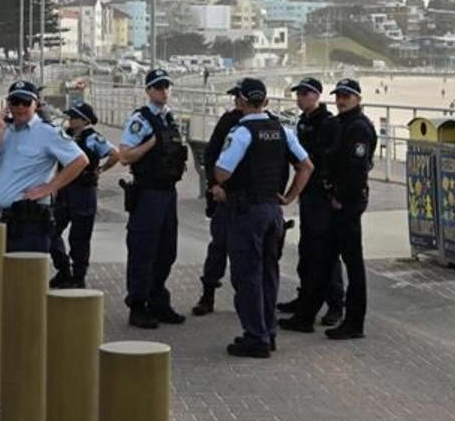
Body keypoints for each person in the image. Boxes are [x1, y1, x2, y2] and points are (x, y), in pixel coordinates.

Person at [213, 78, 313, 358]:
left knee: (247, 276)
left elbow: (222, 172)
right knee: (269, 273)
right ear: (266, 101)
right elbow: (306, 166)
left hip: (247, 212)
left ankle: (254, 337)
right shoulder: (281, 129)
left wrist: (223, 185)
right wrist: (290, 196)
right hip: (273, 211)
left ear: (243, 102)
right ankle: (268, 331)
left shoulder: (242, 132)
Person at [280, 78, 377, 340]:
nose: (341, 100)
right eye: (339, 95)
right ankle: (305, 316)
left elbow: (357, 169)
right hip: (334, 201)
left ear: (357, 98)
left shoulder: (358, 128)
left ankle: (353, 322)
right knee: (322, 260)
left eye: (347, 96)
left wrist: (340, 198)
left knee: (352, 265)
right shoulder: (340, 124)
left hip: (347, 204)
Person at [0, 80, 89, 253]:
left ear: (35, 104)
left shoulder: (48, 131)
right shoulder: (4, 131)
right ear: (8, 105)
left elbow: (80, 160)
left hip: (30, 223)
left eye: (26, 102)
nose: (20, 107)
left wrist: (49, 188)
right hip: (2, 220)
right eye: (15, 102)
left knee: (26, 277)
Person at [119, 69, 190, 329]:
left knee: (166, 250)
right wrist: (151, 143)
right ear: (148, 90)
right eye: (158, 87)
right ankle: (137, 305)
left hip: (168, 192)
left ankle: (158, 299)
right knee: (143, 249)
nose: (164, 91)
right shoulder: (141, 119)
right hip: (147, 193)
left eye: (166, 86)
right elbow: (124, 156)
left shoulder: (169, 118)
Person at [277, 77, 345, 327]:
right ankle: (305, 297)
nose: (300, 97)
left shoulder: (328, 124)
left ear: (316, 95)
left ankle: (336, 303)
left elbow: (327, 160)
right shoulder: (303, 121)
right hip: (308, 193)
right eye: (298, 93)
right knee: (307, 250)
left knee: (326, 251)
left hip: (321, 195)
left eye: (305, 93)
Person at [191, 86, 250, 316]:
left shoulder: (265, 124)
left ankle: (248, 300)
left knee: (247, 253)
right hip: (225, 197)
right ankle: (208, 295)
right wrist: (214, 186)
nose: (236, 100)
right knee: (218, 248)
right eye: (235, 97)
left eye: (240, 97)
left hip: (251, 201)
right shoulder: (228, 121)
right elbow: (211, 154)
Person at [49, 103, 119, 288]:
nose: (70, 120)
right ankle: (63, 268)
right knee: (51, 230)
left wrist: (100, 170)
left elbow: (114, 154)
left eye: (74, 117)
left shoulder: (93, 138)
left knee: (79, 237)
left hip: (83, 191)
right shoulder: (66, 135)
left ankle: (78, 276)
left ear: (85, 120)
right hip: (65, 190)